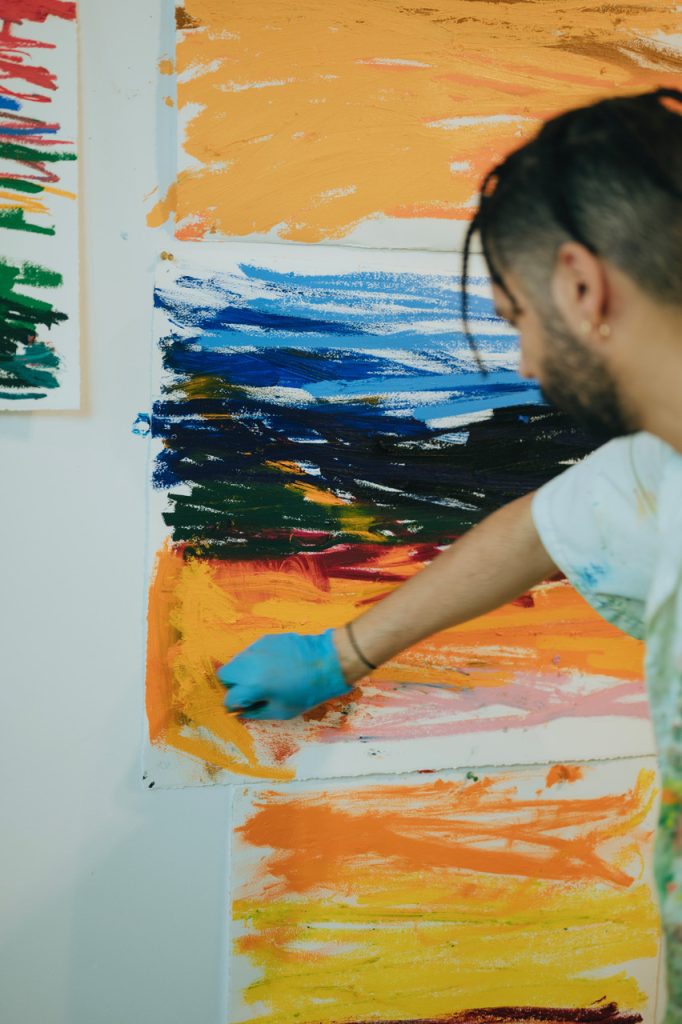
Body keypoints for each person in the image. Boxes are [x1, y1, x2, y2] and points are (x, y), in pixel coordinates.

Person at [217, 88, 682, 1022]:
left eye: (514, 317)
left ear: (582, 288)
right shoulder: (656, 471)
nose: (519, 360)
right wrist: (341, 654)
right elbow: (544, 526)